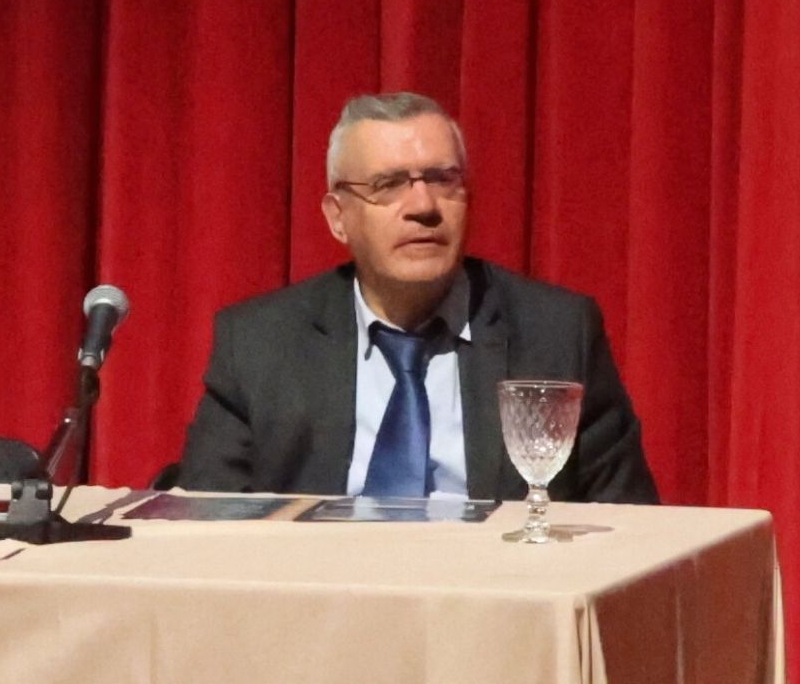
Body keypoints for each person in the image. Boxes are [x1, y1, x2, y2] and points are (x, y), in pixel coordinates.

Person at [175, 92, 658, 506]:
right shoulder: (259, 343)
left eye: (443, 180)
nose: (424, 207)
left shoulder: (556, 334)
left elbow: (627, 524)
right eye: (388, 185)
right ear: (338, 217)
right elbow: (206, 518)